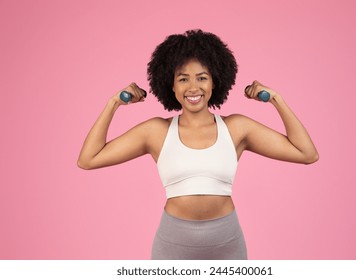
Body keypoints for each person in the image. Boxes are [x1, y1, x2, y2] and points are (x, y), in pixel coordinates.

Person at [77, 29, 319, 260]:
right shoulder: (156, 132)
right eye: (183, 79)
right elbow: (88, 159)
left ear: (215, 82)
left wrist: (276, 99)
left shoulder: (236, 128)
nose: (193, 88)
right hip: (173, 244)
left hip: (227, 243)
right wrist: (113, 103)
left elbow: (306, 153)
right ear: (171, 86)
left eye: (202, 78)